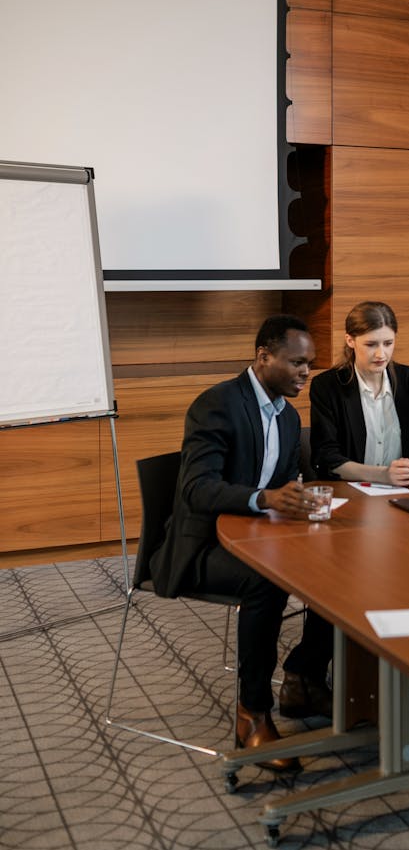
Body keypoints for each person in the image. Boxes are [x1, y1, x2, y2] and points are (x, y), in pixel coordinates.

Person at [149, 315, 332, 772]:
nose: (305, 372)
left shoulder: (289, 418)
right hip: (200, 547)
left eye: (309, 363)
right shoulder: (218, 405)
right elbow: (197, 488)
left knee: (335, 565)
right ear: (263, 356)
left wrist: (296, 499)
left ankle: (305, 678)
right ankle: (252, 713)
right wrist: (265, 498)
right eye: (295, 362)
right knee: (264, 583)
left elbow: (286, 480)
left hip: (257, 535)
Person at [310, 301, 409, 485]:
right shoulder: (326, 386)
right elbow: (326, 458)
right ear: (350, 341)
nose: (381, 354)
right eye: (371, 344)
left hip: (405, 492)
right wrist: (383, 475)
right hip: (350, 493)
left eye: (388, 343)